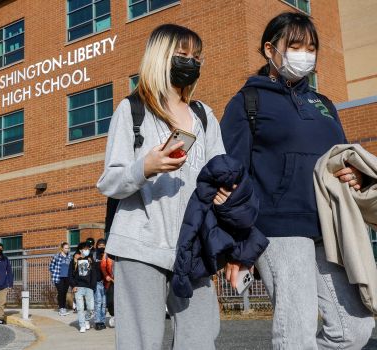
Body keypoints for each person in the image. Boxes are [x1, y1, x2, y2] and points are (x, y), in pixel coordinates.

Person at [220, 12, 375, 349]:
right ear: (269, 49)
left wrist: (356, 174)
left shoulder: (324, 104)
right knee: (297, 330)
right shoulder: (248, 101)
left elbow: (339, 158)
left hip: (329, 228)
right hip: (278, 229)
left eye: (311, 47)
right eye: (294, 45)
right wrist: (239, 245)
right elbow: (231, 176)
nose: (304, 53)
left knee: (355, 330)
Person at [97, 24, 231, 350]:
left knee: (200, 338)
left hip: (193, 245)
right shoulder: (132, 111)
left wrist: (224, 191)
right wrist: (146, 167)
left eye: (196, 57)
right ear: (160, 57)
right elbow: (109, 182)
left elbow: (220, 171)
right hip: (140, 246)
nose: (191, 62)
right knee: (140, 342)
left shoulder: (204, 115)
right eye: (182, 55)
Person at [69, 242, 97, 333]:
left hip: (89, 287)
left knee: (91, 308)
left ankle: (86, 320)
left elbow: (94, 274)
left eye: (88, 249)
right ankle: (82, 325)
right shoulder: (74, 260)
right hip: (78, 287)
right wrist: (73, 285)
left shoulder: (90, 260)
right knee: (80, 308)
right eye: (85, 249)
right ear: (80, 250)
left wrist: (92, 286)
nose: (87, 250)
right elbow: (70, 275)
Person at [48, 242, 71, 316]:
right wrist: (54, 272)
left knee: (64, 292)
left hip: (67, 277)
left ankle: (63, 307)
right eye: (66, 248)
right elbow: (51, 266)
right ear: (62, 248)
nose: (67, 249)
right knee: (60, 292)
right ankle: (61, 308)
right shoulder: (57, 256)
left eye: (68, 248)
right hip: (58, 277)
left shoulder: (69, 256)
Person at [93, 239, 107, 330]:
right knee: (98, 302)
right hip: (97, 282)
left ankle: (103, 321)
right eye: (100, 245)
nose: (101, 247)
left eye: (103, 245)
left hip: (106, 283)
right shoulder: (94, 255)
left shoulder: (107, 255)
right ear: (97, 246)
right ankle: (98, 321)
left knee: (104, 303)